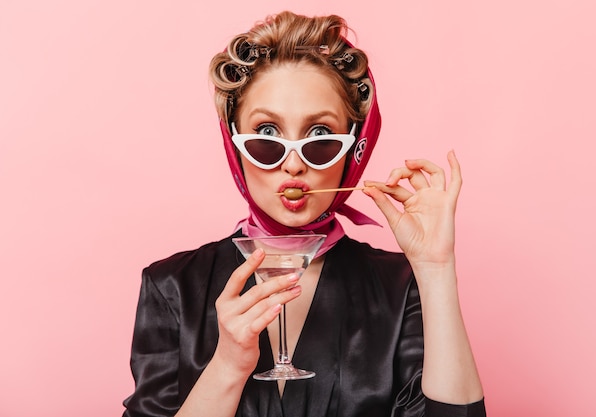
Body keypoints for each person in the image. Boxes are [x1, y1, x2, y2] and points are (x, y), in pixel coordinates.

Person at [123, 10, 486, 417]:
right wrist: (227, 367)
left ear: (353, 146)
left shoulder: (402, 286)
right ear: (233, 144)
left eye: (319, 137)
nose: (293, 165)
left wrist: (436, 268)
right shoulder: (171, 285)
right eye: (266, 136)